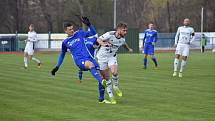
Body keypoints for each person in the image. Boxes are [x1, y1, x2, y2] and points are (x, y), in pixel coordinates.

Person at [51, 17, 109, 104]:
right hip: (80, 61)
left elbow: (93, 33)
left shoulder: (80, 33)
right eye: (69, 29)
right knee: (92, 67)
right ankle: (101, 81)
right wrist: (57, 67)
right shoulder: (65, 42)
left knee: (101, 75)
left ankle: (101, 99)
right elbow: (62, 54)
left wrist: (89, 24)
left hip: (89, 58)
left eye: (72, 28)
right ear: (65, 31)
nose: (72, 30)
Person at [96, 22, 133, 104]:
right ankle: (111, 97)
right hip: (102, 58)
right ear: (119, 29)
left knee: (114, 72)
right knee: (106, 78)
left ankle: (115, 86)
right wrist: (103, 44)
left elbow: (124, 44)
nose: (125, 32)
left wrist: (128, 49)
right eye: (124, 30)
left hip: (112, 57)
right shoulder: (109, 34)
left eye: (126, 31)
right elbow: (98, 39)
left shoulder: (122, 39)